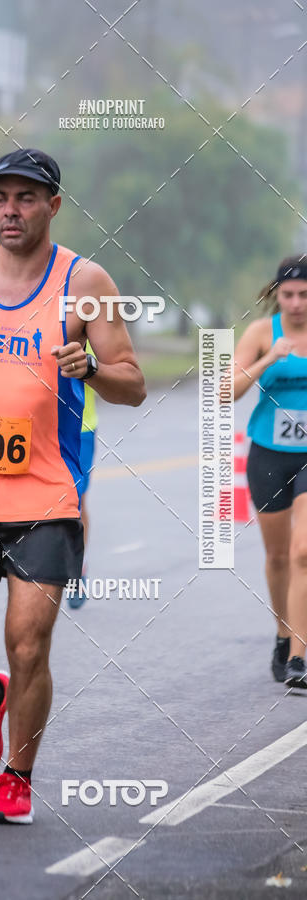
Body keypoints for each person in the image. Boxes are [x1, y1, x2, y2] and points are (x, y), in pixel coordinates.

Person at [0, 148, 146, 824]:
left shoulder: (85, 280)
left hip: (45, 498)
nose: (11, 209)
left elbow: (134, 382)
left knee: (30, 642)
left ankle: (18, 774)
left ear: (53, 206)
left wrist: (92, 364)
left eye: (27, 198)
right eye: (1, 197)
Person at [233, 256, 307, 689]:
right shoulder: (263, 333)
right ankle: (283, 635)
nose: (296, 304)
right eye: (288, 295)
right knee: (279, 557)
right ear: (276, 293)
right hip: (268, 454)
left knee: (302, 551)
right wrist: (269, 359)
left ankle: (299, 655)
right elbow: (227, 391)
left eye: (303, 295)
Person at [68, 343, 97, 610]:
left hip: (81, 428)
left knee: (75, 502)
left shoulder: (85, 317)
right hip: (37, 425)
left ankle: (78, 568)